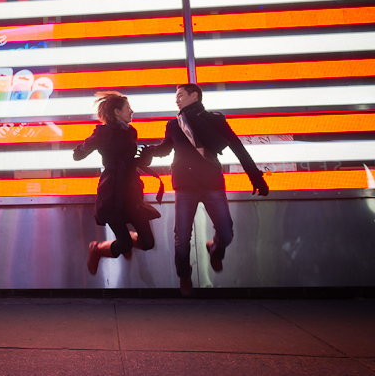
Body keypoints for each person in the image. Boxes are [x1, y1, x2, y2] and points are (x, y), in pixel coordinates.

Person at [144, 83, 269, 296]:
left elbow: (237, 146)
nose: (177, 99)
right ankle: (184, 274)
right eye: (176, 96)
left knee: (226, 233)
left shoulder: (215, 120)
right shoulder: (174, 124)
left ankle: (214, 247)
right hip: (185, 184)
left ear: (195, 95)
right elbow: (165, 148)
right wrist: (149, 152)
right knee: (181, 238)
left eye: (181, 95)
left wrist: (256, 176)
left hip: (212, 183)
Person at [73, 91, 163, 275]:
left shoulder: (131, 131)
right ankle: (97, 249)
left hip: (131, 189)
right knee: (125, 244)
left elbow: (132, 160)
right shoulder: (102, 133)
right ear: (116, 112)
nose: (132, 111)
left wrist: (146, 157)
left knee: (148, 243)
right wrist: (86, 146)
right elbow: (78, 155)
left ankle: (119, 241)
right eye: (128, 108)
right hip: (112, 191)